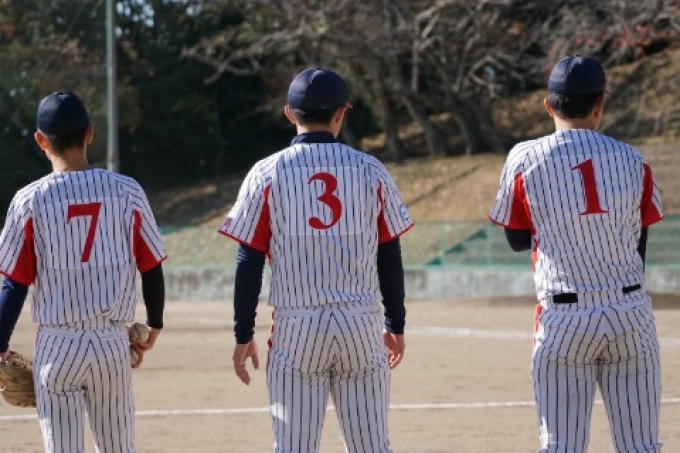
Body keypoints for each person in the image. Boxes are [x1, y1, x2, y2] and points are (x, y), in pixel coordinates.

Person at [218, 67, 413, 453]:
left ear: (289, 114)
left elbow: (248, 261)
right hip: (361, 323)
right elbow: (390, 254)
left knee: (294, 447)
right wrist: (396, 323)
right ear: (341, 113)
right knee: (372, 447)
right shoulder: (371, 170)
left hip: (298, 326)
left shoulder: (266, 173)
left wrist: (243, 334)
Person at [490, 56, 664, 453]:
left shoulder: (525, 157)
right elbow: (639, 243)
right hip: (630, 313)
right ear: (601, 103)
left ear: (548, 105)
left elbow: (516, 238)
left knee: (561, 446)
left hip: (564, 317)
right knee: (640, 446)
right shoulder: (633, 159)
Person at [0, 91, 167, 453]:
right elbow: (151, 266)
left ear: (40, 141)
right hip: (111, 344)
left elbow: (15, 283)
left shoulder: (29, 201)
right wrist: (154, 323)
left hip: (57, 346)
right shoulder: (127, 191)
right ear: (90, 133)